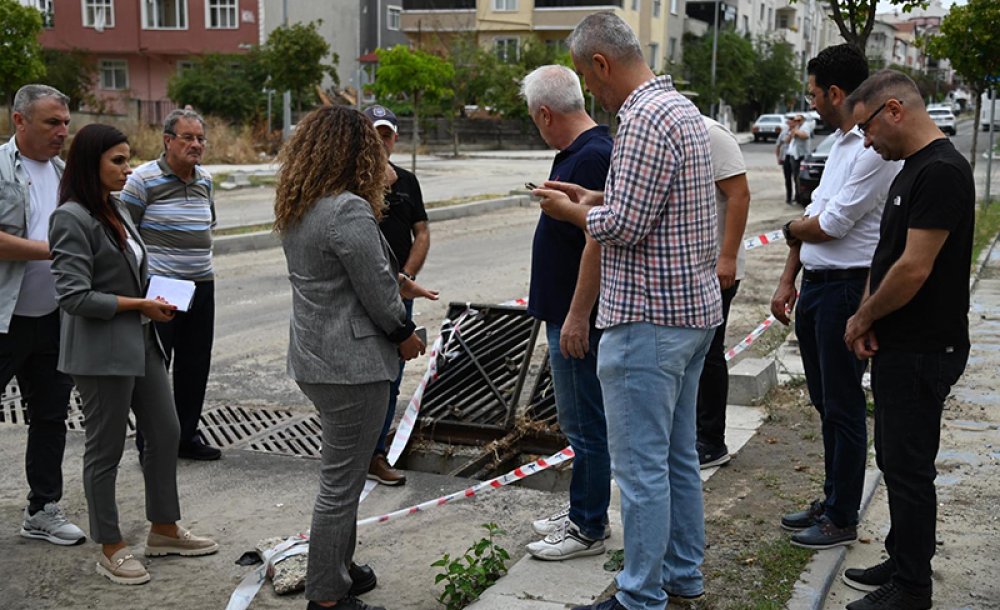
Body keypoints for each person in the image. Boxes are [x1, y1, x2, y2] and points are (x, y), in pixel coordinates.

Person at [534, 12, 722, 610]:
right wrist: (595, 196)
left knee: (641, 472)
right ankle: (682, 575)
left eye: (593, 85)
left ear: (601, 64)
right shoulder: (681, 110)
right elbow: (651, 204)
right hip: (691, 314)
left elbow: (625, 225)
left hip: (648, 320)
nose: (595, 97)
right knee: (678, 459)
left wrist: (574, 213)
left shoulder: (639, 118)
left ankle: (640, 595)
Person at [274, 105, 437, 610]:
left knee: (340, 472)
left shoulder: (301, 202)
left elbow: (345, 276)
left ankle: (338, 569)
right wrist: (405, 334)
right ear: (355, 152)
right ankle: (327, 595)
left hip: (316, 357)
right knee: (341, 482)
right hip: (353, 364)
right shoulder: (347, 209)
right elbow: (378, 295)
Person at [48, 124, 218, 586]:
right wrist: (139, 305)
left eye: (128, 159)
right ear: (91, 164)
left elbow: (133, 269)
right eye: (117, 161)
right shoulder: (71, 217)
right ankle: (111, 546)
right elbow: (73, 296)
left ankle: (163, 528)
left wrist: (152, 298)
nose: (128, 169)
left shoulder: (117, 208)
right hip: (101, 352)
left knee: (165, 431)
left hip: (142, 341)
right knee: (103, 453)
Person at [841, 70, 975, 610]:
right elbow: (886, 255)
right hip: (900, 343)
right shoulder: (909, 170)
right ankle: (902, 556)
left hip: (925, 348)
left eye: (867, 128)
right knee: (896, 462)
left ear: (893, 110)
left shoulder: (941, 172)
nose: (866, 141)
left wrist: (860, 318)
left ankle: (913, 588)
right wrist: (870, 317)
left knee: (910, 467)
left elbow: (914, 269)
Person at [770, 44, 901, 551]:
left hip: (849, 288)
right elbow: (813, 214)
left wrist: (790, 229)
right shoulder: (841, 145)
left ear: (836, 93)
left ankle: (843, 514)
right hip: (819, 288)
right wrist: (787, 278)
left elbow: (830, 224)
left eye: (814, 94)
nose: (812, 103)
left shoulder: (871, 152)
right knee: (826, 403)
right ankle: (832, 496)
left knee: (844, 406)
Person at [519, 64, 614, 561]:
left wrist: (578, 316)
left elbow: (597, 242)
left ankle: (588, 527)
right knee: (578, 423)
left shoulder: (591, 157)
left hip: (578, 319)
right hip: (566, 313)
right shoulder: (577, 153)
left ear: (545, 113)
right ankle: (583, 507)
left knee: (586, 425)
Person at [0, 84, 86, 547]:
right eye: (52, 122)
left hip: (53, 316)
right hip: (3, 317)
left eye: (65, 123)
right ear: (19, 121)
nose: (62, 131)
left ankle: (42, 509)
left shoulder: (63, 172)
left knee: (51, 415)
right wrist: (56, 250)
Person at [120, 109, 220, 461]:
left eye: (200, 139)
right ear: (167, 140)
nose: (195, 145)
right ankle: (150, 439)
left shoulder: (205, 179)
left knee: (195, 364)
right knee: (156, 368)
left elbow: (209, 224)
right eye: (187, 138)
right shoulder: (143, 180)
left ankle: (185, 436)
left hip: (201, 285)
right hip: (160, 286)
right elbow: (123, 233)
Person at [361, 104, 430, 487]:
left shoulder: (407, 181)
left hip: (400, 293)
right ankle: (352, 450)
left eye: (384, 134)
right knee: (361, 375)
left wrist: (406, 275)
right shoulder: (347, 185)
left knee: (392, 375)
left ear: (395, 139)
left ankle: (374, 455)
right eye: (372, 133)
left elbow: (421, 232)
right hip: (361, 297)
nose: (379, 141)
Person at [695, 116, 751, 469]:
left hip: (717, 269)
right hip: (690, 269)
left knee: (709, 351)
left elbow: (739, 195)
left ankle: (711, 441)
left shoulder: (712, 134)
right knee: (692, 353)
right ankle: (695, 433)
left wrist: (727, 257)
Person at [779, 114, 812, 205]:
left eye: (798, 120)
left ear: (802, 120)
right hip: (793, 154)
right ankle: (793, 197)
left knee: (798, 177)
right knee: (793, 177)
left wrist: (796, 131)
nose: (797, 122)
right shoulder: (794, 129)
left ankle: (799, 197)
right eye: (795, 120)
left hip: (801, 155)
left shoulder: (805, 127)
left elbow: (805, 136)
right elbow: (786, 140)